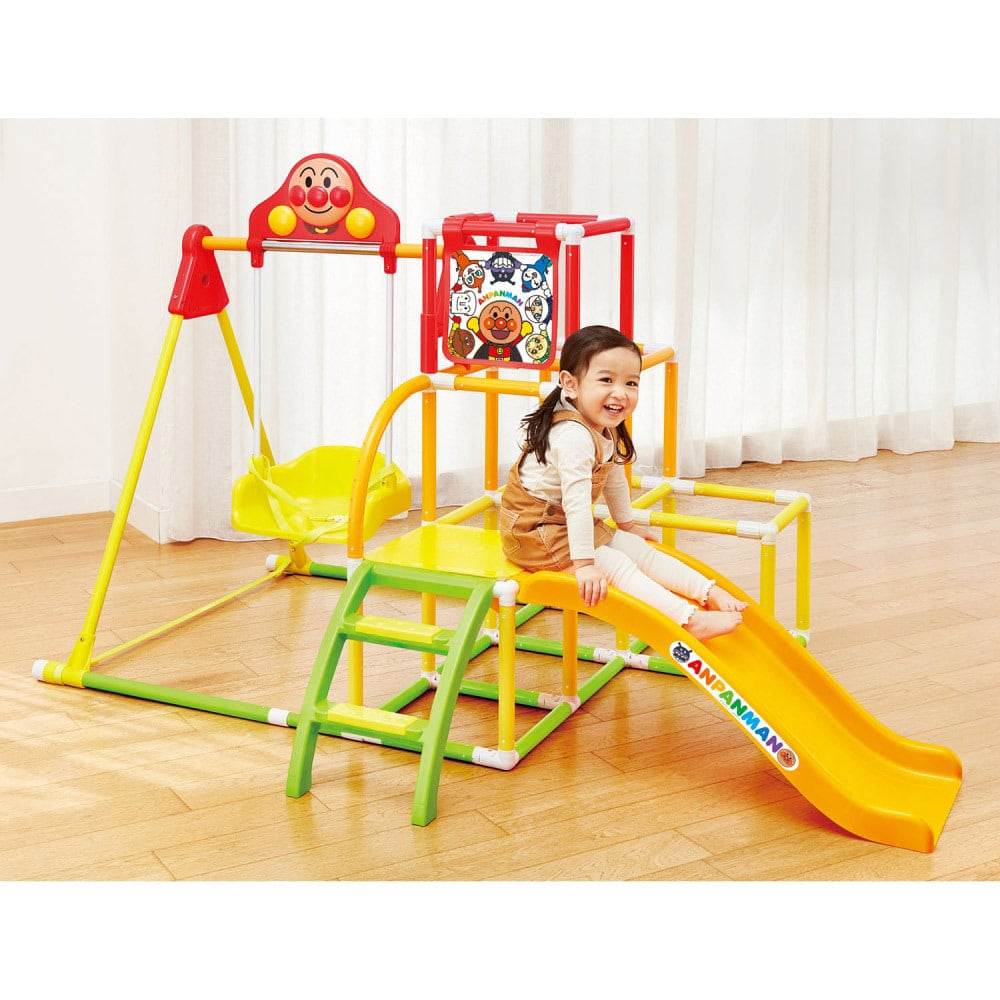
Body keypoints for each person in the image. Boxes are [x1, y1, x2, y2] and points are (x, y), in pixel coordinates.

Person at [499, 325, 745, 641]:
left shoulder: (603, 424)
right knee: (615, 566)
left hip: (561, 525)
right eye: (606, 380)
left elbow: (613, 478)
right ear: (570, 384)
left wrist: (627, 524)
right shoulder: (572, 436)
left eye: (631, 383)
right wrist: (585, 565)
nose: (620, 393)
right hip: (534, 533)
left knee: (636, 548)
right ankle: (688, 621)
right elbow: (576, 505)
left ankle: (706, 592)